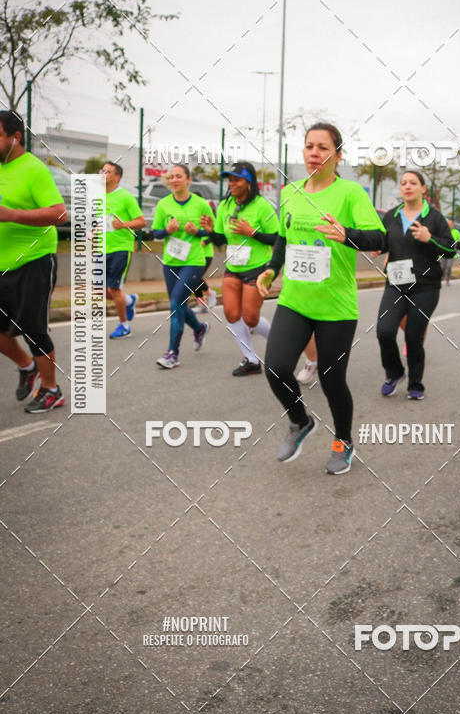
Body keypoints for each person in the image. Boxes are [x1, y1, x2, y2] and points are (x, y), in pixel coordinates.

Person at [257, 122, 386, 475]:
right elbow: (283, 238)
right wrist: (271, 269)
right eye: (309, 146)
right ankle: (300, 422)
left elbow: (380, 239)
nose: (314, 152)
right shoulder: (290, 192)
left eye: (323, 147)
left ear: (337, 154)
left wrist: (348, 235)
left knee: (332, 381)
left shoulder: (351, 193)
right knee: (277, 367)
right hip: (295, 300)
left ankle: (343, 442)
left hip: (336, 306)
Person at [0, 110, 67, 412]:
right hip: (3, 263)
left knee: (32, 329)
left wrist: (12, 215)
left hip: (34, 260)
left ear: (15, 137)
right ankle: (27, 367)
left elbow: (58, 212)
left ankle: (52, 390)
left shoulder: (35, 170)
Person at [376, 170, 455, 400]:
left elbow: (451, 248)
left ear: (423, 188)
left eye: (413, 182)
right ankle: (395, 372)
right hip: (396, 283)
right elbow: (385, 240)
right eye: (403, 183)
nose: (407, 186)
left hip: (426, 286)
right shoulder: (391, 215)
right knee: (384, 331)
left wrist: (429, 238)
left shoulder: (435, 217)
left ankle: (415, 384)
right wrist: (379, 248)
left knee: (413, 336)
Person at [200, 162, 278, 375]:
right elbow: (220, 239)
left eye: (237, 179)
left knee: (251, 317)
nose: (232, 183)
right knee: (232, 313)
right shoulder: (225, 205)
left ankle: (278, 344)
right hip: (233, 266)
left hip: (257, 268)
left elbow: (277, 238)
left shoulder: (262, 206)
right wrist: (209, 230)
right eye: (230, 179)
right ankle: (251, 360)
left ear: (249, 182)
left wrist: (252, 232)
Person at [151, 163, 211, 368]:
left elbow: (212, 231)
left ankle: (172, 354)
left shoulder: (201, 204)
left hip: (193, 261)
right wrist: (167, 230)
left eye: (179, 176)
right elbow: (156, 233)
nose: (174, 180)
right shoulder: (163, 204)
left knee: (176, 303)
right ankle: (200, 328)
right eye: (171, 177)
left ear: (188, 179)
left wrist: (198, 232)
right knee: (179, 305)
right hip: (171, 261)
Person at [98, 161, 145, 339]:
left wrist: (123, 224)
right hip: (103, 248)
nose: (103, 174)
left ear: (117, 177)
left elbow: (141, 221)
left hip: (121, 248)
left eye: (107, 171)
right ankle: (130, 300)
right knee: (99, 290)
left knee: (114, 288)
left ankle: (124, 326)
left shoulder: (126, 197)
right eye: (101, 171)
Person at [441, 220, 460, 285]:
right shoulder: (443, 231)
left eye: (451, 224)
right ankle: (441, 278)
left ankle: (447, 280)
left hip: (452, 253)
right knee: (442, 267)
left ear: (452, 225)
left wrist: (458, 245)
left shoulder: (456, 232)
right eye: (448, 224)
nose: (450, 226)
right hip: (443, 253)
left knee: (449, 266)